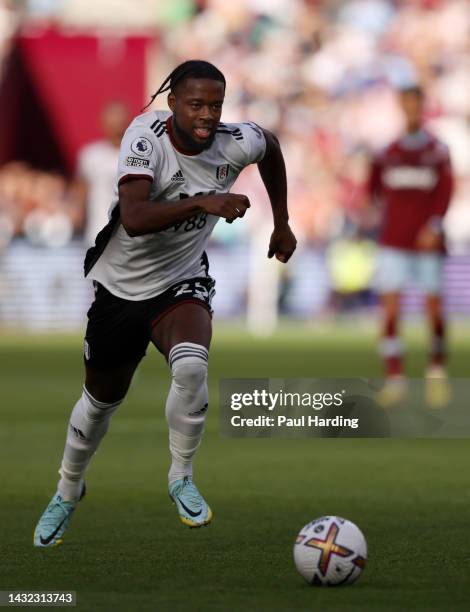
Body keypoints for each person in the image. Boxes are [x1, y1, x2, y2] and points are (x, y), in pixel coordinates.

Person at [33, 60, 297, 547]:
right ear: (172, 102)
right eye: (195, 104)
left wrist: (282, 222)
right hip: (120, 288)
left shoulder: (236, 140)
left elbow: (273, 149)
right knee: (98, 405)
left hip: (180, 281)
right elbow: (133, 217)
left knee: (193, 366)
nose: (206, 115)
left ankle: (181, 477)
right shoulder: (144, 136)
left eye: (215, 105)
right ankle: (67, 491)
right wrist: (203, 202)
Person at [367, 86, 453, 407]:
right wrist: (378, 218)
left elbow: (445, 193)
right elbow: (372, 191)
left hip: (426, 244)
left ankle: (436, 373)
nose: (412, 111)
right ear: (401, 107)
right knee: (390, 309)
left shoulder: (437, 150)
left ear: (423, 107)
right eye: (407, 105)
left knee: (434, 311)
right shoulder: (387, 151)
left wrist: (434, 225)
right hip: (394, 241)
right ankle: (395, 379)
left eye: (417, 105)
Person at [74, 101, 129, 246]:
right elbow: (81, 193)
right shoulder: (90, 155)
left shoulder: (139, 156)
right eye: (112, 123)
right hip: (97, 232)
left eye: (120, 123)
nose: (117, 128)